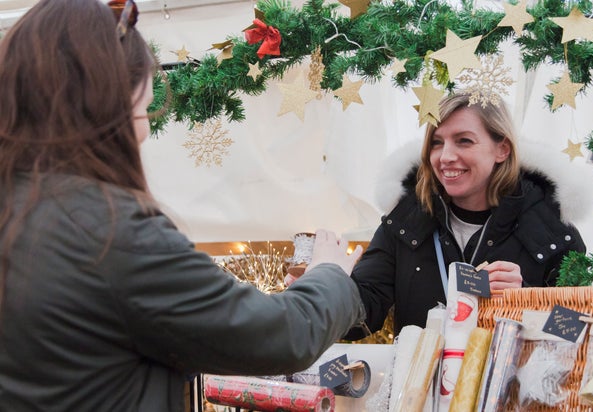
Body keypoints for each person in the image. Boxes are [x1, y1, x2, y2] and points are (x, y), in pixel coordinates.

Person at [0, 1, 364, 411]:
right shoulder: (110, 233)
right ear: (110, 98)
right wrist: (329, 273)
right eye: (144, 108)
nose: (145, 124)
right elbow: (283, 335)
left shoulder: (20, 209)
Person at [344, 92, 586, 340]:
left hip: (511, 377)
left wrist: (525, 300)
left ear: (502, 149)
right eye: (437, 143)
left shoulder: (553, 230)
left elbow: (579, 330)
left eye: (464, 141)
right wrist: (319, 292)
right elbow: (363, 313)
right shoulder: (405, 219)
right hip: (422, 378)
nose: (446, 156)